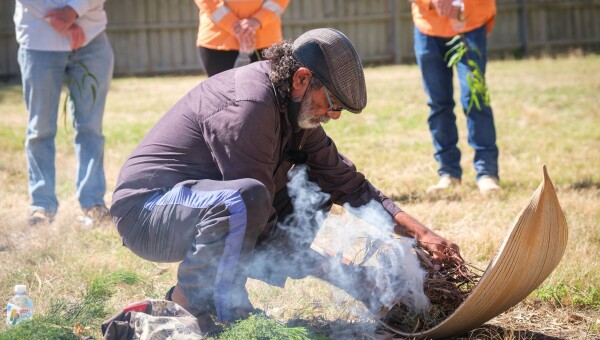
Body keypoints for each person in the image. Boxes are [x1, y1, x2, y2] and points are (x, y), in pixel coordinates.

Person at [110, 28, 463, 332]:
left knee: (316, 183)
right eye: (333, 103)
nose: (335, 115)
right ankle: (200, 307)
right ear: (302, 79)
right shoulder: (248, 106)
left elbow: (348, 184)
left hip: (203, 208)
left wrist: (422, 233)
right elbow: (253, 215)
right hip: (148, 211)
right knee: (245, 199)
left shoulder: (296, 111)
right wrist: (342, 273)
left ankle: (203, 298)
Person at [14, 0, 114, 225]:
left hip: (92, 40)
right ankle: (42, 205)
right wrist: (63, 20)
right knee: (40, 129)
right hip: (39, 41)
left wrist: (72, 12)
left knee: (91, 127)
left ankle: (93, 202)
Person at [410, 0, 501, 194]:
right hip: (428, 27)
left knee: (474, 98)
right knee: (438, 103)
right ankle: (448, 173)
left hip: (470, 22)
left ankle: (487, 173)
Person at [194, 0, 289, 77]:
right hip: (218, 41)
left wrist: (258, 19)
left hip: (266, 41)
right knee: (223, 95)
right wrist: (232, 24)